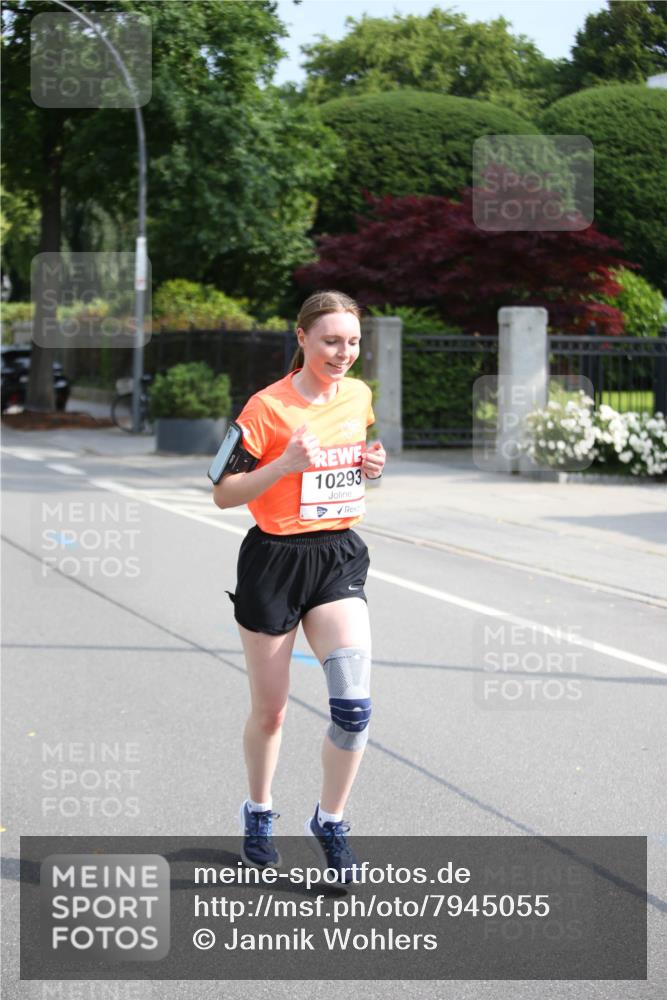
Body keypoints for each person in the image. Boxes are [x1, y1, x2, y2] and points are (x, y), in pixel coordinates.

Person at [212, 290, 386, 882]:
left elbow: (353, 459)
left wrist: (370, 468)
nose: (344, 353)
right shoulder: (266, 408)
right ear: (303, 339)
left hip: (336, 555)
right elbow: (222, 492)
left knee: (354, 705)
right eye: (332, 341)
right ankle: (258, 811)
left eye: (354, 341)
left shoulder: (358, 395)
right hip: (274, 562)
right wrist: (282, 465)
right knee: (272, 712)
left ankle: (331, 822)